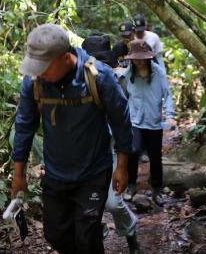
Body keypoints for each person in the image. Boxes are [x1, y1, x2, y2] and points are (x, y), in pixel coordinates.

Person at [11, 23, 133, 254]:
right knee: (55, 235)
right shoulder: (35, 82)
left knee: (87, 235)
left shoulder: (99, 77)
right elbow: (25, 125)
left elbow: (121, 121)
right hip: (56, 174)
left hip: (93, 172)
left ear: (66, 57)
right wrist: (19, 175)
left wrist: (123, 167)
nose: (39, 72)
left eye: (44, 67)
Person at [82, 34, 141, 254]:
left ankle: (131, 233)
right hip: (89, 153)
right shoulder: (75, 82)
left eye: (102, 61)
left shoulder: (119, 79)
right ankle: (97, 233)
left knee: (114, 203)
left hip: (114, 148)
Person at [123, 39, 175, 207]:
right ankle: (131, 185)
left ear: (148, 57)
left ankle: (157, 189)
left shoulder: (158, 73)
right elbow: (121, 95)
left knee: (155, 156)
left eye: (141, 57)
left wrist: (170, 114)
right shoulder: (128, 74)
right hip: (134, 120)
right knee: (134, 151)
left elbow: (167, 94)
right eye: (135, 58)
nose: (138, 61)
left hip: (153, 122)